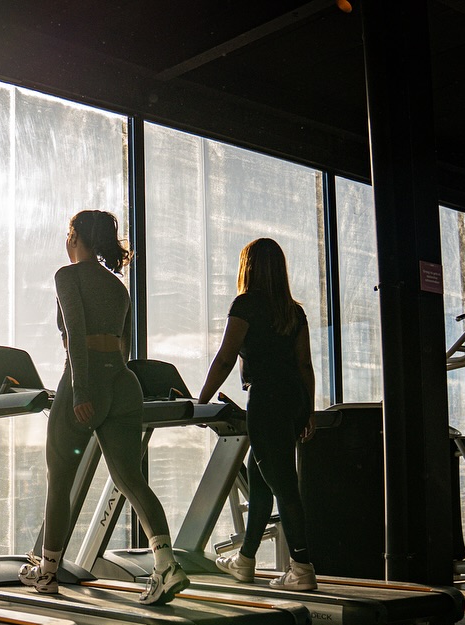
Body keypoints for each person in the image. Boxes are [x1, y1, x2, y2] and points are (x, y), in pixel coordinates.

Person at [19, 210, 189, 605]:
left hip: (88, 379)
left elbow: (76, 336)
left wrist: (80, 392)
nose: (66, 240)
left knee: (60, 477)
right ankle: (166, 565)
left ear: (76, 237)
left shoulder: (68, 276)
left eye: (68, 233)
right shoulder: (118, 288)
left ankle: (46, 572)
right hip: (123, 381)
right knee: (130, 478)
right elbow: (122, 345)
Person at [195, 238, 317, 591]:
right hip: (293, 400)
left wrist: (202, 400)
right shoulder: (294, 311)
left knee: (284, 488)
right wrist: (308, 409)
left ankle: (303, 569)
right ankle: (246, 561)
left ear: (248, 267)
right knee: (263, 482)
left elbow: (226, 356)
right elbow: (304, 365)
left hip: (266, 401)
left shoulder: (246, 304)